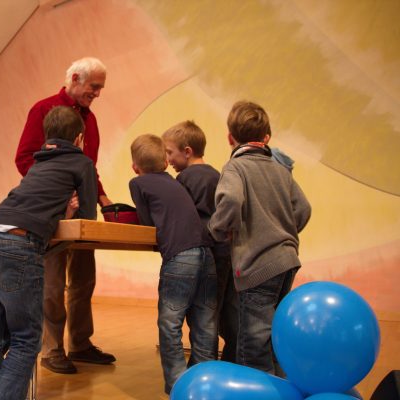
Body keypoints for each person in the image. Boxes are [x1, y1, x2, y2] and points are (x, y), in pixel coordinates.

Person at [0, 106, 97, 399]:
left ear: (46, 137)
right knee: (27, 339)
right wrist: (72, 211)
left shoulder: (37, 164)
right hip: (18, 244)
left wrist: (61, 211)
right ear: (80, 138)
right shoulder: (81, 163)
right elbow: (88, 217)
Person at [15, 57, 115, 374]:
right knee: (53, 283)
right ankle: (52, 348)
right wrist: (57, 189)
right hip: (52, 212)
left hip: (84, 211)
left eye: (100, 87)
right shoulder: (42, 110)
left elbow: (88, 167)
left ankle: (81, 345)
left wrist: (102, 197)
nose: (97, 93)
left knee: (84, 280)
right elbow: (24, 159)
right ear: (74, 78)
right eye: (94, 86)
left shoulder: (92, 120)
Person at [208, 101, 311, 375]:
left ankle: (260, 390)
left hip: (257, 264)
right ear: (267, 137)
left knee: (252, 340)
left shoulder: (235, 168)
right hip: (287, 259)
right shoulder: (280, 170)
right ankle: (280, 385)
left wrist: (218, 229)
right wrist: (282, 232)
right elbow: (303, 209)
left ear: (230, 138)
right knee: (273, 331)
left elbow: (229, 200)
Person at [128, 134, 218, 394]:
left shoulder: (138, 183)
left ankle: (179, 386)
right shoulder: (175, 182)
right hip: (206, 253)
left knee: (170, 323)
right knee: (205, 323)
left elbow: (147, 223)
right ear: (165, 162)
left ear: (135, 166)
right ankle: (204, 385)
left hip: (180, 257)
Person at [162, 120, 238, 362]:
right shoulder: (218, 175)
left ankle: (200, 365)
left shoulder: (185, 179)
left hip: (202, 253)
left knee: (200, 314)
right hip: (224, 253)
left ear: (187, 151)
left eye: (170, 152)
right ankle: (217, 363)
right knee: (215, 311)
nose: (168, 159)